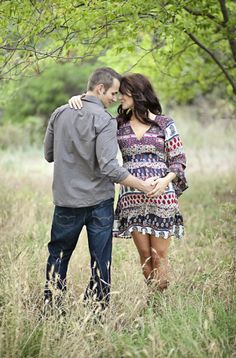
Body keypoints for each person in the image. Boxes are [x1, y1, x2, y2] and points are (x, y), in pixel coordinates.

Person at [44, 67, 158, 314]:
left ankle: (51, 308)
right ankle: (97, 311)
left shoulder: (60, 113)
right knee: (101, 260)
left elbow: (49, 155)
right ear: (99, 89)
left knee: (58, 256)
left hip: (66, 201)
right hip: (98, 203)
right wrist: (142, 185)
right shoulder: (105, 121)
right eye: (113, 93)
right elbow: (109, 167)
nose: (115, 98)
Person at [69, 73, 188, 294]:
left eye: (123, 92)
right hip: (131, 196)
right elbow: (93, 122)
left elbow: (179, 161)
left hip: (161, 195)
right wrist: (77, 99)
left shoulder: (164, 123)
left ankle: (160, 300)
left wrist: (165, 181)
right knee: (144, 255)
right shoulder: (117, 124)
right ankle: (154, 300)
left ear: (136, 92)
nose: (119, 97)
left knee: (158, 255)